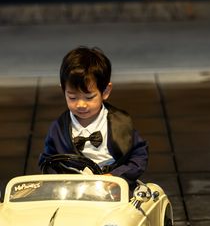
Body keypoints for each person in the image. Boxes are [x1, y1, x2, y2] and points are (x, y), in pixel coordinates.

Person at [38, 46, 148, 188]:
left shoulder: (121, 123)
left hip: (113, 186)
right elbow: (47, 161)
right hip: (73, 189)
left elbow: (139, 155)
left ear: (106, 91)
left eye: (89, 97)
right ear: (63, 90)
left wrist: (118, 176)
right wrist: (61, 180)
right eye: (72, 97)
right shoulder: (58, 129)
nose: (81, 104)